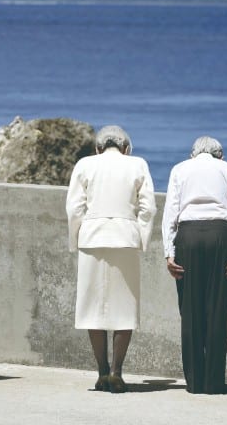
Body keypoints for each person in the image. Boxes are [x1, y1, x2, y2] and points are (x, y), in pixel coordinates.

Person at [66, 125, 156, 393]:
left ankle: (102, 372)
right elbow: (148, 207)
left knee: (92, 307)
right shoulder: (137, 164)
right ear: (126, 147)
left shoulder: (85, 164)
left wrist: (76, 238)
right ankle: (117, 371)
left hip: (92, 238)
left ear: (98, 147)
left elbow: (74, 207)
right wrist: (141, 238)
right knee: (124, 307)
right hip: (125, 238)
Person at [162, 136, 227, 394]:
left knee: (190, 310)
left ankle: (194, 382)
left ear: (193, 154)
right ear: (219, 155)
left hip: (187, 236)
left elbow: (170, 213)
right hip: (220, 235)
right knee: (217, 309)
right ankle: (213, 382)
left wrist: (169, 252)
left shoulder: (179, 169)